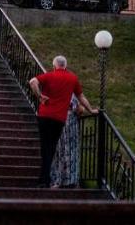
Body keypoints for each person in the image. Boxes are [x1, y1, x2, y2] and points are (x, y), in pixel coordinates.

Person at [28, 55, 96, 188]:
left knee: (46, 148)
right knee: (52, 148)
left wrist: (39, 96)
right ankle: (47, 179)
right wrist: (91, 110)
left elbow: (32, 82)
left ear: (54, 66)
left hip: (44, 116)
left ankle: (44, 180)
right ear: (66, 66)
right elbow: (81, 97)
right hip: (59, 119)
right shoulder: (73, 78)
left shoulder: (49, 76)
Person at [51, 93, 91, 188]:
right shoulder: (71, 93)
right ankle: (70, 179)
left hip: (56, 122)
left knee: (59, 152)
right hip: (69, 124)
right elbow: (79, 109)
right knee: (70, 152)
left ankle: (57, 179)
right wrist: (86, 110)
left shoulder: (55, 91)